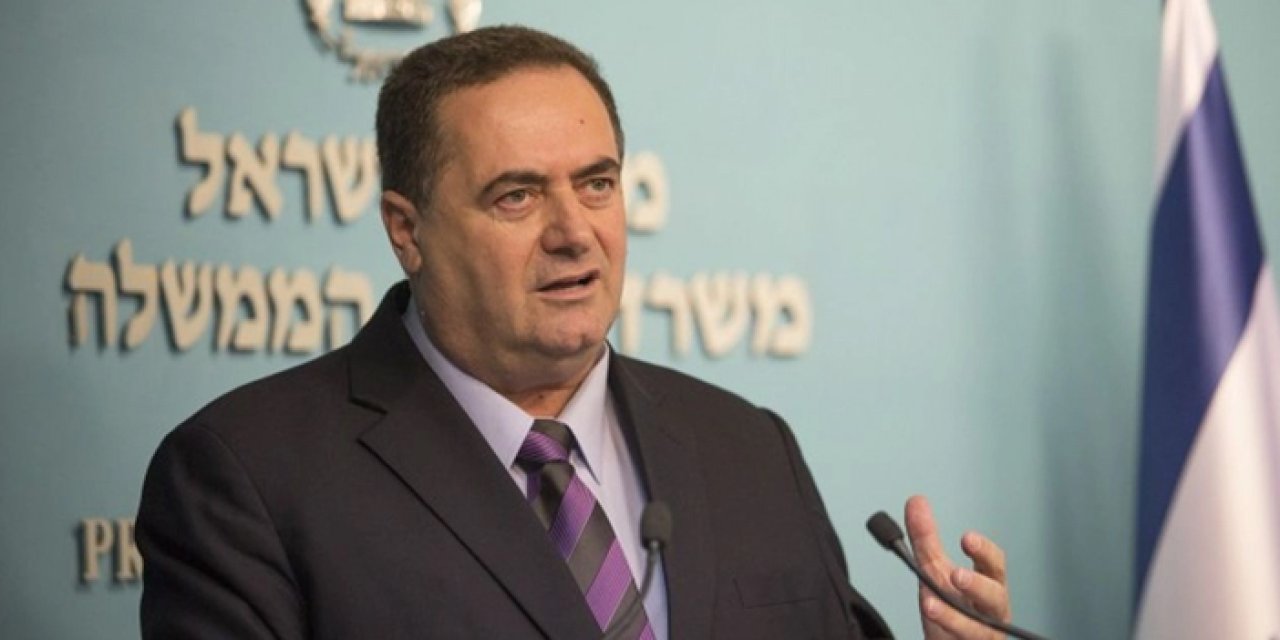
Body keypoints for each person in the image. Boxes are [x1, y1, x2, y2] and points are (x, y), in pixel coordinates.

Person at [137, 25, 1013, 639]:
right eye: (517, 196)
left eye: (597, 185)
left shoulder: (749, 449)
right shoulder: (249, 478)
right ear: (407, 230)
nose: (574, 232)